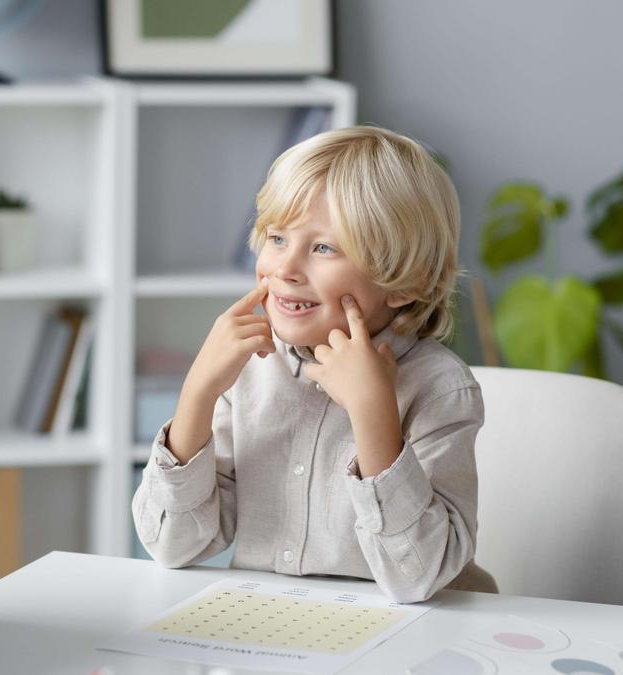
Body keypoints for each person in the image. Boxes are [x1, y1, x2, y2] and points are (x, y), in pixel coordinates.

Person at [132, 126, 498, 604]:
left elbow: (419, 578)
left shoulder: (441, 390)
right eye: (278, 237)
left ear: (407, 282)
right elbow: (174, 546)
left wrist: (373, 412)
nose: (285, 268)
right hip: (279, 633)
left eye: (324, 248)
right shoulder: (247, 371)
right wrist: (198, 392)